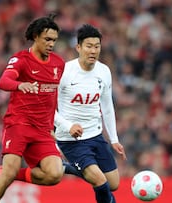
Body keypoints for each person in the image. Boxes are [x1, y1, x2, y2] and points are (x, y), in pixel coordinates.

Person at [0, 13, 65, 203]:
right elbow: (3, 81)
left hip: (42, 130)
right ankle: (5, 176)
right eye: (47, 39)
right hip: (19, 124)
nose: (51, 44)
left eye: (54, 40)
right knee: (9, 173)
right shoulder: (21, 59)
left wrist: (53, 126)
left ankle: (7, 173)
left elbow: (54, 97)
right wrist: (20, 85)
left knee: (55, 174)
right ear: (36, 36)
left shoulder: (58, 63)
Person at [54, 24, 127, 203]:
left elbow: (107, 106)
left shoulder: (104, 71)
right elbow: (49, 108)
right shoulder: (65, 72)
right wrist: (68, 126)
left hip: (95, 135)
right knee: (100, 182)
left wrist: (114, 139)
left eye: (97, 46)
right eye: (89, 46)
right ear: (78, 47)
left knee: (113, 184)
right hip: (71, 139)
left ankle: (68, 168)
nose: (93, 50)